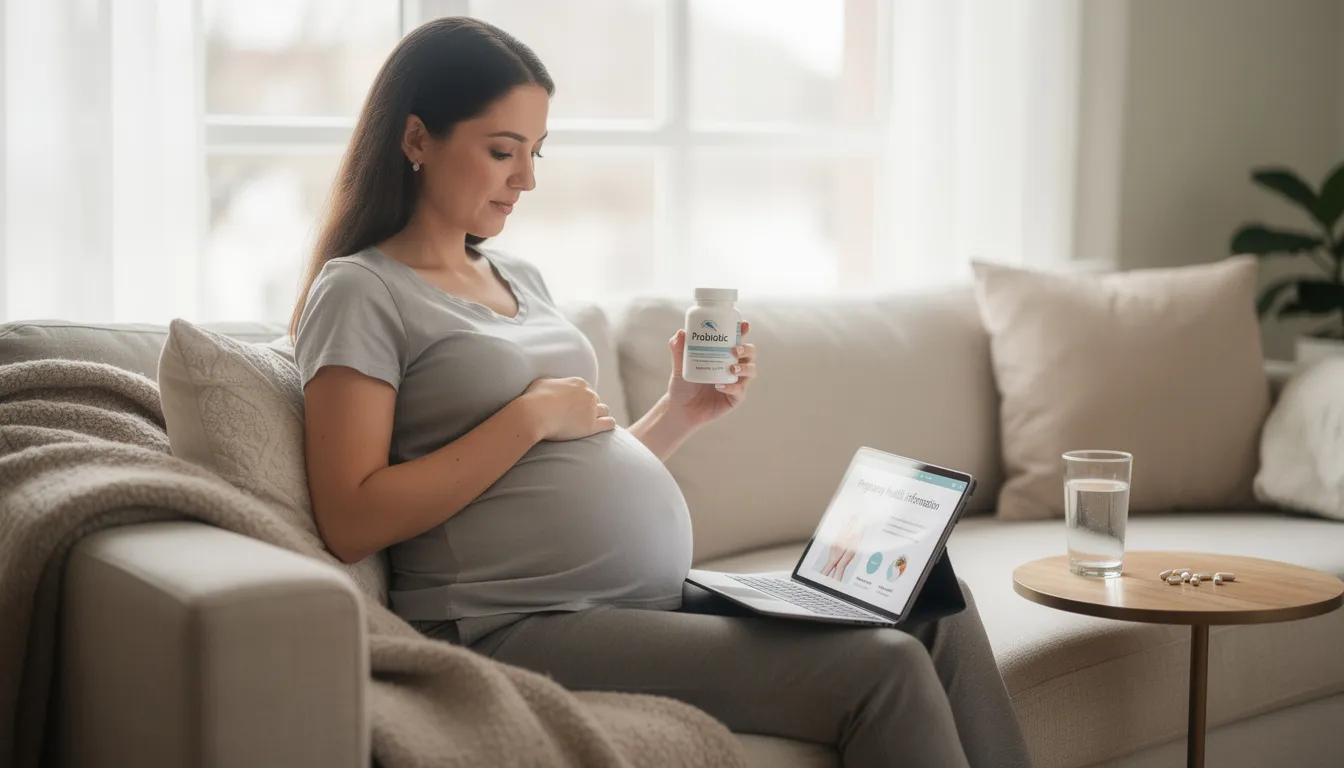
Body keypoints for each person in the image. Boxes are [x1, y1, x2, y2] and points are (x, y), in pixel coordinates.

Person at [291, 16, 1031, 768]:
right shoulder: (361, 291)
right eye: (502, 151)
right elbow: (351, 517)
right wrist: (528, 416)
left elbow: (564, 466)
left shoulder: (519, 277)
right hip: (510, 622)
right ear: (417, 139)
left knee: (935, 607)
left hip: (639, 602)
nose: (527, 180)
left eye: (537, 152)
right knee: (882, 667)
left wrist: (680, 412)